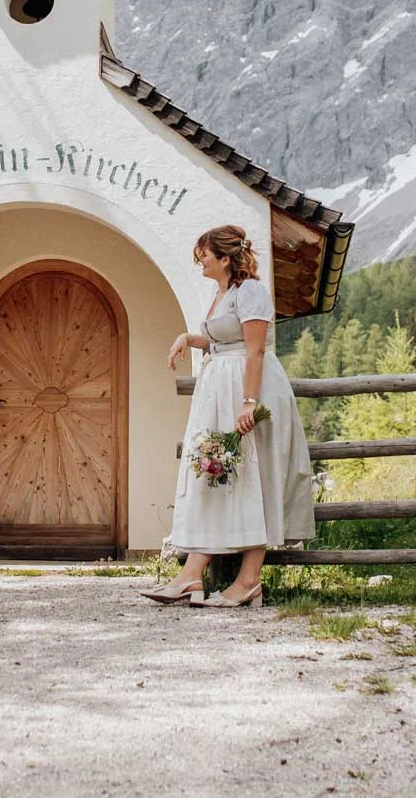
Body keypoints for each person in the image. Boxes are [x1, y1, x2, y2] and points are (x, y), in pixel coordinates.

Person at [141, 224, 314, 608]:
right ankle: (191, 576)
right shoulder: (223, 293)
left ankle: (248, 580)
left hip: (248, 388)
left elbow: (254, 350)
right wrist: (188, 339)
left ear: (224, 257)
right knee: (217, 473)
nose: (199, 261)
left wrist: (249, 402)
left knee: (254, 475)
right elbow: (223, 340)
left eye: (204, 254)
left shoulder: (250, 290)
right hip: (219, 388)